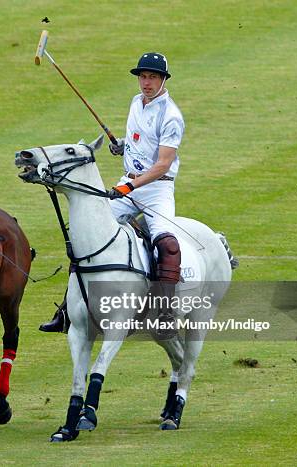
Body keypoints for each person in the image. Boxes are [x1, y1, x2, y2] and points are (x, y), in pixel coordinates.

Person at [40, 52, 184, 333]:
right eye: (143, 76)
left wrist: (129, 186)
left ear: (164, 79)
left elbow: (162, 164)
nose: (146, 82)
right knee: (87, 235)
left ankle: (165, 312)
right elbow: (138, 141)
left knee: (167, 244)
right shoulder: (136, 102)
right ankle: (68, 309)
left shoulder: (172, 116)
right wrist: (123, 147)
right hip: (127, 182)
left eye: (153, 77)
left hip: (157, 189)